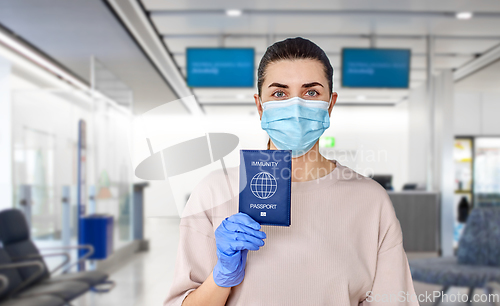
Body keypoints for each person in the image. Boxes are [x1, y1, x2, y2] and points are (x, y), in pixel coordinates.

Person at [164, 37, 419, 306]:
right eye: (279, 94)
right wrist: (222, 277)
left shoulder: (371, 201)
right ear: (260, 106)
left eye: (311, 93)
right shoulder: (215, 192)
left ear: (330, 104)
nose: (295, 108)